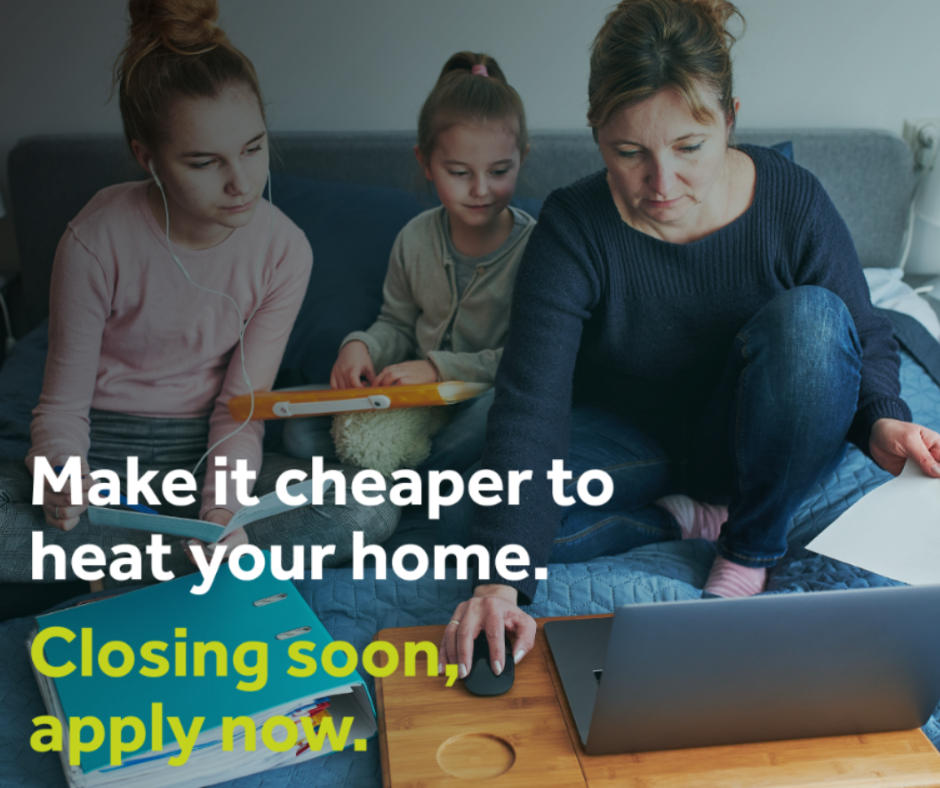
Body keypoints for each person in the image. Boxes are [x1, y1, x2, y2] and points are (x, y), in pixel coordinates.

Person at [440, 0, 940, 679]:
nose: (661, 184)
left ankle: (751, 544)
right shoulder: (573, 227)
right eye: (629, 153)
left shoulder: (791, 200)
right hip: (631, 435)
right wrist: (499, 586)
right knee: (476, 521)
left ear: (729, 118)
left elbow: (863, 336)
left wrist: (883, 418)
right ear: (596, 135)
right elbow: (532, 407)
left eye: (688, 148)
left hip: (755, 436)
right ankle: (684, 519)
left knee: (814, 321)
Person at [0, 0, 398, 594]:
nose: (241, 183)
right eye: (205, 162)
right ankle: (178, 554)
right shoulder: (95, 236)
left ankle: (143, 556)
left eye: (254, 149)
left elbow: (240, 409)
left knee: (367, 508)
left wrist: (222, 513)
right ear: (147, 156)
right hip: (103, 449)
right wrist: (61, 471)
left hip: (206, 451)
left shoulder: (285, 250)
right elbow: (61, 408)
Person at [283, 52, 535, 476]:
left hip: (478, 400)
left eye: (499, 171)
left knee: (496, 413)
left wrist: (437, 368)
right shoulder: (415, 238)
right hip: (415, 405)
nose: (480, 189)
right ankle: (417, 473)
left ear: (521, 158)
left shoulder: (537, 249)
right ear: (426, 163)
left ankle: (400, 477)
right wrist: (360, 345)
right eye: (458, 172)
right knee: (298, 431)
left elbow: (528, 358)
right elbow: (396, 324)